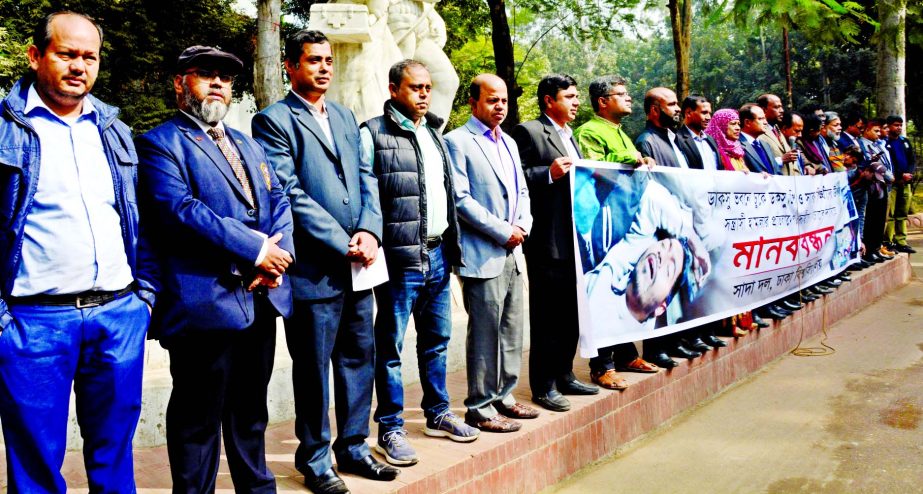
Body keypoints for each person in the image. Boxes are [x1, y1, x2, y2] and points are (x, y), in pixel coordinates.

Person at [0, 11, 153, 492]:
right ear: (35, 56)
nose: (79, 66)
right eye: (67, 53)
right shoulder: (6, 130)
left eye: (89, 56)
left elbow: (137, 216)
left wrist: (142, 297)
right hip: (33, 322)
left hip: (116, 315)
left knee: (114, 455)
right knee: (36, 466)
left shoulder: (113, 130)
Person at [137, 45, 294, 492]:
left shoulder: (247, 142)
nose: (218, 83)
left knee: (250, 411)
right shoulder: (159, 143)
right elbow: (180, 211)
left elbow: (279, 200)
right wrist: (255, 250)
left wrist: (276, 259)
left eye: (225, 77)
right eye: (206, 74)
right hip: (203, 303)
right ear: (180, 83)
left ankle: (257, 488)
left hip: (260, 298)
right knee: (197, 419)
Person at [251, 30, 394, 494]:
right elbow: (288, 192)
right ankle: (315, 459)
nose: (324, 67)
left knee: (359, 357)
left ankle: (354, 448)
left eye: (328, 60)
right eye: (313, 60)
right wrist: (341, 240)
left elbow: (366, 177)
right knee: (313, 368)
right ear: (291, 66)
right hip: (314, 268)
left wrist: (370, 230)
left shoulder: (347, 117)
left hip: (359, 265)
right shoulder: (273, 121)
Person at [361, 59, 479, 465]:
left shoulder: (434, 134)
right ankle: (390, 427)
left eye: (428, 87)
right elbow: (366, 195)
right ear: (394, 89)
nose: (424, 94)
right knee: (390, 346)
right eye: (416, 87)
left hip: (438, 254)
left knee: (436, 341)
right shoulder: (373, 134)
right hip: (399, 259)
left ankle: (438, 413)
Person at [444, 74, 539, 432]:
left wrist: (523, 227)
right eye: (491, 100)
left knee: (513, 328)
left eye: (503, 101)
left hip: (514, 251)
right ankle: (479, 406)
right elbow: (461, 199)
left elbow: (523, 192)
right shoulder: (457, 142)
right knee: (485, 332)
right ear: (473, 103)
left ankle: (505, 396)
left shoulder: (510, 143)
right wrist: (503, 231)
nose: (499, 107)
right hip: (484, 252)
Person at [512, 74, 600, 413]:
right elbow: (516, 177)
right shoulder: (530, 131)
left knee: (571, 313)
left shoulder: (571, 136)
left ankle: (565, 373)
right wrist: (547, 173)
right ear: (549, 100)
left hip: (574, 239)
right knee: (548, 316)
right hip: (547, 240)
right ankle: (543, 385)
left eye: (577, 96)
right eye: (570, 96)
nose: (576, 102)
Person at [572, 75, 662, 386]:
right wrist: (626, 159)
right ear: (602, 101)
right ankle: (602, 365)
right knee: (604, 289)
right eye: (620, 94)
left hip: (627, 220)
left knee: (624, 288)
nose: (629, 99)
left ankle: (625, 354)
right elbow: (591, 169)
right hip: (602, 223)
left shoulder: (622, 133)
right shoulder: (589, 131)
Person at [884, 115, 917, 254]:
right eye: (896, 125)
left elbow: (912, 160)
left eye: (900, 125)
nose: (898, 128)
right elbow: (888, 163)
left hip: (906, 182)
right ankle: (888, 240)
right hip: (893, 183)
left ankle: (901, 240)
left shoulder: (905, 141)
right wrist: (899, 175)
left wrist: (909, 173)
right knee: (890, 213)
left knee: (902, 213)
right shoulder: (885, 143)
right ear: (889, 126)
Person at [635, 87, 689, 169]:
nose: (678, 109)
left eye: (676, 104)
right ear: (655, 110)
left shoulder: (675, 136)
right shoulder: (646, 142)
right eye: (671, 104)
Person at [756, 93, 800, 176]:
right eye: (776, 107)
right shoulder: (758, 132)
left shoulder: (776, 129)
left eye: (781, 106)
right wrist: (781, 160)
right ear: (763, 109)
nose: (782, 110)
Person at [676, 95, 721, 170]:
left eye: (709, 113)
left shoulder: (711, 140)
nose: (708, 117)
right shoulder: (677, 139)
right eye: (704, 113)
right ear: (688, 113)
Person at [738, 103, 777, 174]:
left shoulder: (765, 145)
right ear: (747, 122)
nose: (766, 122)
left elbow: (777, 171)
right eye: (760, 119)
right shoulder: (737, 145)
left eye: (765, 118)